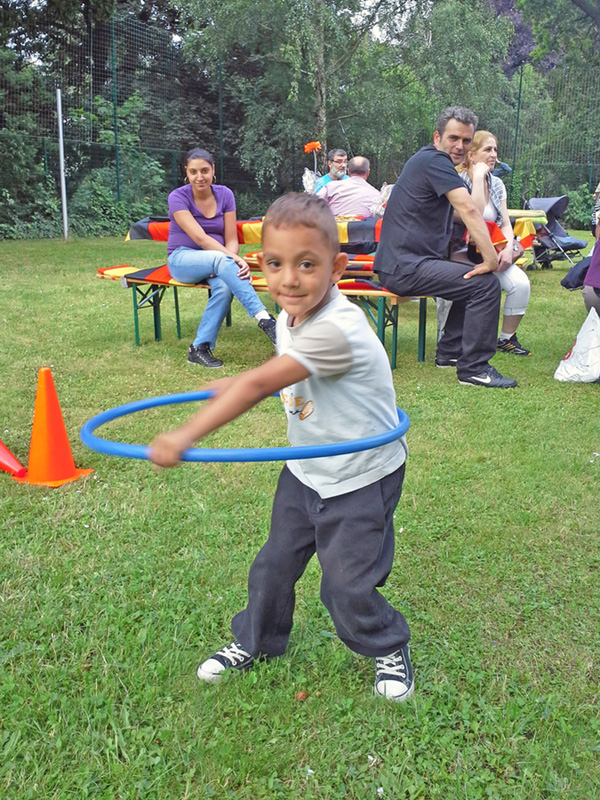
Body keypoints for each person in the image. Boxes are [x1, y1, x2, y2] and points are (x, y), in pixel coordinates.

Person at [150, 193, 414, 703]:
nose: (289, 279)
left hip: (360, 474)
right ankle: (257, 642)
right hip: (306, 468)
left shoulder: (338, 328)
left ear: (337, 267)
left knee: (345, 585)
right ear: (261, 264)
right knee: (272, 565)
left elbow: (256, 386)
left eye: (306, 264)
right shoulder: (290, 318)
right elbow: (266, 378)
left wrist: (184, 434)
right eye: (275, 264)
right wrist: (237, 383)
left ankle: (389, 643)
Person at [373, 106, 517, 389]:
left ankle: (450, 353)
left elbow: (459, 213)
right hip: (404, 267)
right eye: (454, 138)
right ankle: (474, 369)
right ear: (438, 136)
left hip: (404, 263)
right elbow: (469, 209)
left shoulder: (429, 162)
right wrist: (490, 259)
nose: (460, 146)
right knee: (484, 282)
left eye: (466, 141)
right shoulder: (434, 161)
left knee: (468, 274)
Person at [167, 148, 277, 368]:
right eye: (194, 172)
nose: (200, 177)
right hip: (183, 259)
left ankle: (199, 349)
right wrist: (232, 259)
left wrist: (231, 258)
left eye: (205, 171)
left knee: (225, 287)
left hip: (217, 262)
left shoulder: (225, 194)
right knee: (219, 259)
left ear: (213, 170)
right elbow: (200, 238)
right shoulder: (177, 197)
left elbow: (231, 239)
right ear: (186, 173)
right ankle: (265, 320)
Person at [455, 130, 532, 356]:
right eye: (488, 150)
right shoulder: (457, 182)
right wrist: (477, 178)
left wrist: (508, 249)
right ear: (471, 155)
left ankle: (506, 339)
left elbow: (506, 222)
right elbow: (474, 214)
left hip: (494, 252)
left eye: (495, 150)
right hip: (463, 255)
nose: (494, 155)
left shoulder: (497, 183)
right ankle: (452, 337)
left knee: (522, 284)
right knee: (472, 289)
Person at [317, 156, 382, 217]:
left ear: (348, 171)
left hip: (334, 227)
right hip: (361, 228)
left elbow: (313, 205)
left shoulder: (331, 187)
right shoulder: (376, 195)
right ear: (368, 172)